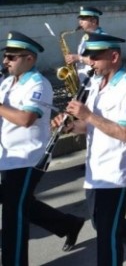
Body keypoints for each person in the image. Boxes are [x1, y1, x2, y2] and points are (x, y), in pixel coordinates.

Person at [56, 32, 126, 266]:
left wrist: (88, 115)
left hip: (117, 172)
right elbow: (89, 127)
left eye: (96, 58)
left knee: (107, 234)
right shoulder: (96, 83)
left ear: (114, 56)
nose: (91, 62)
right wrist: (70, 125)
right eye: (89, 57)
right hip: (96, 168)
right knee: (103, 224)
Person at [0, 32, 86, 265]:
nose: (5, 61)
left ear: (29, 58)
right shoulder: (7, 82)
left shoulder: (39, 84)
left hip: (27, 159)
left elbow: (26, 118)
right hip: (6, 156)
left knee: (14, 216)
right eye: (5, 56)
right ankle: (67, 223)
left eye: (11, 57)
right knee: (19, 203)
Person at [64, 6, 105, 82]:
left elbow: (100, 61)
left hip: (95, 82)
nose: (80, 22)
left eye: (83, 19)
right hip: (85, 80)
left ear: (94, 21)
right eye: (80, 19)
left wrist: (78, 58)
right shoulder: (85, 37)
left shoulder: (101, 38)